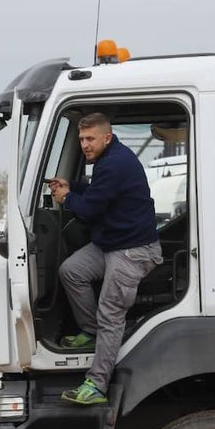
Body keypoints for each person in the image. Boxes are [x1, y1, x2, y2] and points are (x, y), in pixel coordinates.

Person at [49, 112, 162, 406]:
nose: (84, 144)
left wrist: (66, 198)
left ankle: (97, 385)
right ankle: (91, 331)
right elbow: (98, 191)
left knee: (110, 313)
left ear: (107, 138)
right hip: (112, 243)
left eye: (90, 139)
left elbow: (90, 210)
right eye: (82, 139)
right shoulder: (108, 160)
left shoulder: (114, 163)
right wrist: (73, 186)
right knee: (71, 271)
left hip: (132, 250)